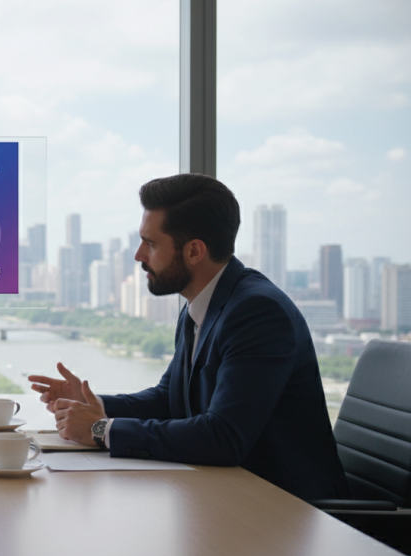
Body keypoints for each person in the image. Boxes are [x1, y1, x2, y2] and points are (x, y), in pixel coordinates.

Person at [29, 174, 349, 501]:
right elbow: (170, 398)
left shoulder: (257, 312)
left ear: (194, 251)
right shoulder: (200, 304)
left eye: (151, 243)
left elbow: (223, 437)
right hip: (227, 496)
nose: (139, 255)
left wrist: (101, 430)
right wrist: (95, 405)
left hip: (288, 510)